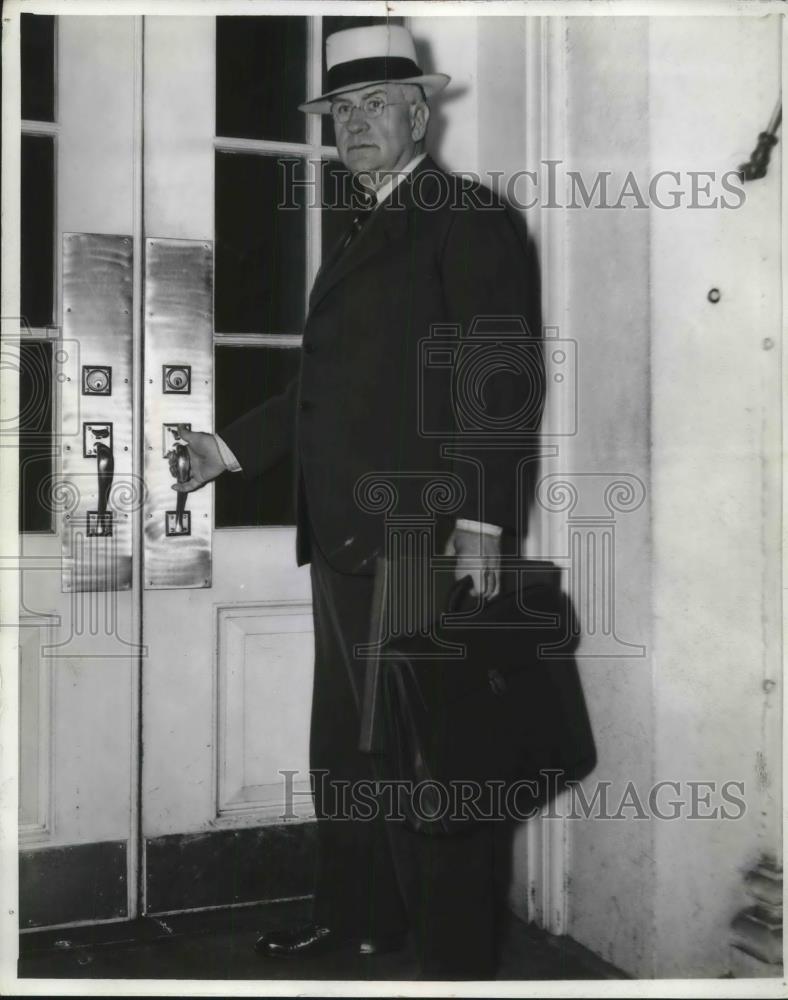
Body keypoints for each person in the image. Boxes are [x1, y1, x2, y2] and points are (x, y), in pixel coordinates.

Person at [172, 24, 543, 979]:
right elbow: (328, 385)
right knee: (349, 745)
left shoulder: (467, 217)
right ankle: (357, 920)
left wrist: (483, 523)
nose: (354, 123)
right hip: (345, 536)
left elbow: (498, 379)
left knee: (430, 753)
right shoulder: (368, 222)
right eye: (340, 110)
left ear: (421, 110)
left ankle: (451, 961)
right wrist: (228, 449)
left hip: (421, 536)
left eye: (375, 104)